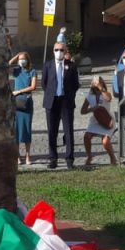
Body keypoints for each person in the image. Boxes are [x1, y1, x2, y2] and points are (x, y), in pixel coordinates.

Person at [41, 41, 80, 169]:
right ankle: (53, 158)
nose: (59, 52)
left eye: (61, 50)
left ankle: (69, 159)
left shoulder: (72, 66)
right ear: (53, 50)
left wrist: (69, 96)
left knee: (68, 131)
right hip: (51, 102)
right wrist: (51, 94)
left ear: (65, 51)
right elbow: (44, 84)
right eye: (56, 49)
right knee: (52, 131)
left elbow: (76, 84)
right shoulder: (48, 65)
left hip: (66, 101)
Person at [80, 76, 118, 166]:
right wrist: (92, 109)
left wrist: (101, 89)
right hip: (96, 120)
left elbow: (108, 99)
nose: (96, 84)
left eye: (98, 82)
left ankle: (112, 157)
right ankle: (89, 156)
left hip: (107, 119)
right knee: (86, 137)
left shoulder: (105, 93)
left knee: (105, 142)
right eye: (94, 83)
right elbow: (82, 111)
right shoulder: (90, 96)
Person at [9, 51, 37, 165]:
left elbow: (33, 86)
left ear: (27, 60)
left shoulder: (32, 71)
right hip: (16, 103)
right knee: (16, 130)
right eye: (20, 59)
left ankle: (27, 155)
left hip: (27, 102)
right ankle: (17, 155)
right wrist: (16, 56)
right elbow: (7, 65)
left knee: (26, 129)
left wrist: (19, 91)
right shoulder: (16, 71)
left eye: (23, 59)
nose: (22, 61)